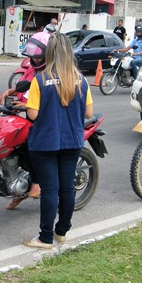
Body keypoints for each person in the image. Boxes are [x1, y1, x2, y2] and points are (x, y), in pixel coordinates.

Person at [22, 32, 93, 250]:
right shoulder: (80, 79)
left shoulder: (40, 80)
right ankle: (61, 232)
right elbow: (89, 113)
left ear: (50, 53)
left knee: (50, 190)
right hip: (72, 141)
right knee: (67, 188)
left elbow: (32, 114)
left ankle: (45, 238)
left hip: (45, 142)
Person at [0, 32, 48, 210]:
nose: (35, 60)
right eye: (33, 57)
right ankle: (18, 186)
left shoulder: (51, 73)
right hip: (29, 114)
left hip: (45, 118)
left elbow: (50, 100)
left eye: (38, 57)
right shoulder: (32, 69)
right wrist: (10, 91)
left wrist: (27, 106)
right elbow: (24, 83)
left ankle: (36, 182)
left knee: (33, 146)